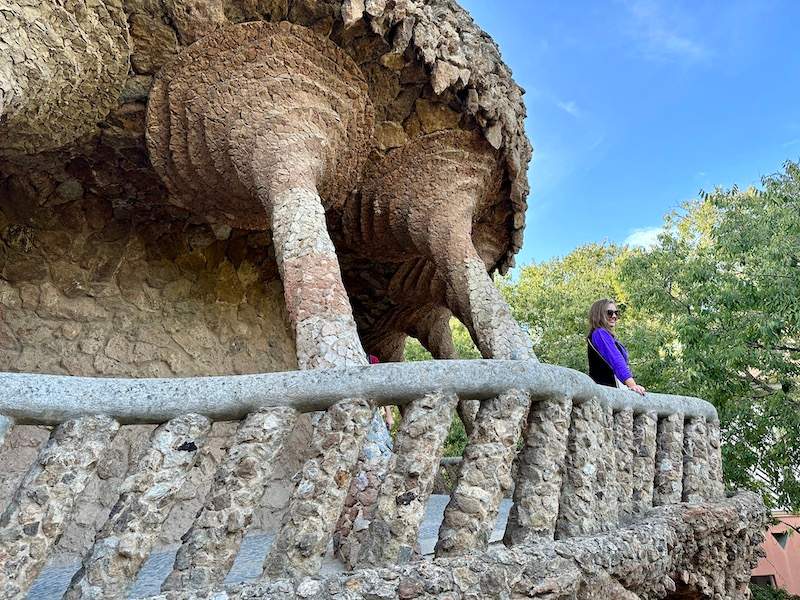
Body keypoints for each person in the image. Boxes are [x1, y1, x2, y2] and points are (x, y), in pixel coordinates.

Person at [587, 299, 646, 395]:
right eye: (609, 313)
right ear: (599, 314)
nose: (614, 316)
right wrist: (632, 385)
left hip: (611, 391)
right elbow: (616, 360)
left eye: (616, 313)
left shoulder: (605, 335)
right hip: (607, 391)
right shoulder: (600, 333)